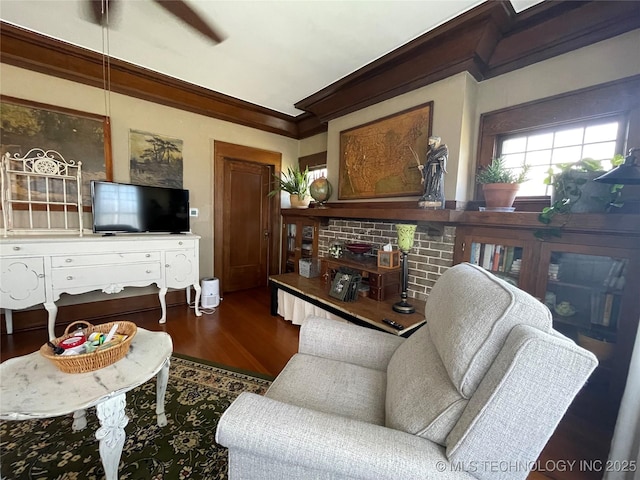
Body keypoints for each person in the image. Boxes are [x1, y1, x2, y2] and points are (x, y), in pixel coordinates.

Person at [418, 136, 448, 209]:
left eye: (431, 142)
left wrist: (441, 160)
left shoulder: (443, 149)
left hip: (437, 170)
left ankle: (434, 195)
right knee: (429, 183)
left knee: (435, 183)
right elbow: (428, 163)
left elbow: (443, 159)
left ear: (437, 142)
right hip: (429, 170)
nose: (429, 144)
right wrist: (423, 167)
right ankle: (428, 194)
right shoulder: (430, 153)